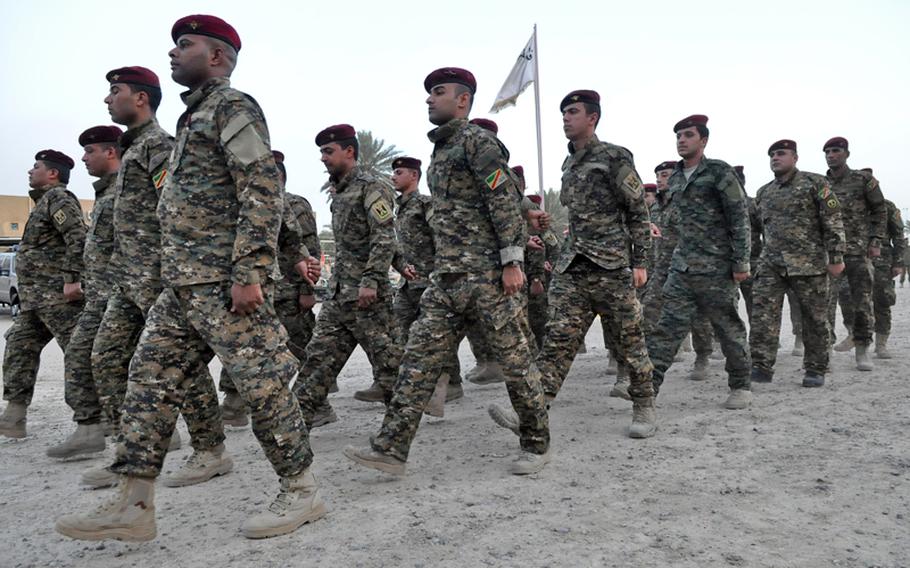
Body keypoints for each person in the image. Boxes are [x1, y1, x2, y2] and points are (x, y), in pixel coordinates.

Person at [56, 15, 325, 541]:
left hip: (224, 283)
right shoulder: (190, 120)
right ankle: (134, 503)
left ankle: (301, 489)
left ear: (218, 56)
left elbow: (261, 188)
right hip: (181, 285)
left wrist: (249, 270)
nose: (174, 53)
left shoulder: (232, 107)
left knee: (262, 385)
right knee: (147, 381)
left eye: (186, 44)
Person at [344, 67, 551, 476]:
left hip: (487, 277)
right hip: (446, 278)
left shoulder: (479, 142)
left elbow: (503, 201)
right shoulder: (441, 151)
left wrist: (512, 262)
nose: (428, 99)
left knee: (516, 363)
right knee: (417, 361)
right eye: (428, 93)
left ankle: (536, 443)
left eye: (438, 92)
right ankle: (391, 448)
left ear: (462, 100)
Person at [80, 65, 227, 490]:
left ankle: (210, 449)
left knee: (181, 366)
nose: (108, 99)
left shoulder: (160, 147)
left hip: (160, 279)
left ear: (141, 98)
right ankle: (127, 454)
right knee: (105, 358)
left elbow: (179, 210)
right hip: (127, 281)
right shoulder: (132, 153)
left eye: (115, 91)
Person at [488, 89, 657, 438]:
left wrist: (640, 260)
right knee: (557, 343)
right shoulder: (569, 163)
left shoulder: (614, 157)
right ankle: (531, 412)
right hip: (574, 266)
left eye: (573, 112)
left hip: (611, 265)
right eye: (563, 113)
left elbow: (638, 212)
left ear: (592, 118)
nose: (566, 118)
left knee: (630, 340)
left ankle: (643, 406)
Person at [291, 124, 401, 425]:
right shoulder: (340, 191)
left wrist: (371, 281)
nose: (323, 158)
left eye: (329, 151)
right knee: (317, 359)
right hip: (340, 295)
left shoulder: (371, 186)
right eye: (322, 153)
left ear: (349, 151)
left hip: (368, 298)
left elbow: (384, 236)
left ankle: (399, 431)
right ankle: (296, 427)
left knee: (389, 364)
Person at [646, 115, 753, 409]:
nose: (681, 139)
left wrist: (740, 262)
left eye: (688, 135)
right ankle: (646, 392)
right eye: (678, 135)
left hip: (716, 267)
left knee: (727, 327)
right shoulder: (676, 177)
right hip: (682, 268)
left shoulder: (720, 172)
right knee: (666, 328)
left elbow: (739, 218)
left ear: (703, 140)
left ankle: (741, 384)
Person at [220, 150, 322, 427]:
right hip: (258, 287)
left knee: (295, 345)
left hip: (289, 289)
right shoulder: (246, 203)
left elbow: (308, 249)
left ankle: (316, 402)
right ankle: (235, 402)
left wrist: (308, 288)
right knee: (246, 340)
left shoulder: (296, 205)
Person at [46, 126, 122, 458]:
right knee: (83, 355)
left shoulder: (127, 188)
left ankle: (135, 439)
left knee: (121, 361)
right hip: (101, 293)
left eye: (90, 152)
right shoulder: (106, 194)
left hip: (126, 291)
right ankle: (91, 429)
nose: (83, 158)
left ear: (110, 152)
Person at [0, 150, 86, 439]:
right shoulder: (41, 204)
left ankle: (96, 421)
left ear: (52, 173)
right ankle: (14, 416)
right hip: (35, 302)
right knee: (18, 347)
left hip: (59, 298)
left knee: (79, 355)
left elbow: (78, 238)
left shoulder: (59, 199)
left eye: (35, 167)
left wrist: (72, 280)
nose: (29, 171)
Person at [749, 140, 845, 387]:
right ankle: (761, 366)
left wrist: (835, 257)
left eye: (781, 154)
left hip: (808, 264)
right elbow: (756, 229)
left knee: (814, 318)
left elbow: (833, 221)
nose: (775, 158)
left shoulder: (816, 184)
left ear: (795, 158)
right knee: (763, 317)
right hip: (771, 264)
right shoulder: (764, 192)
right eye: (772, 155)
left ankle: (815, 368)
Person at [389, 156, 463, 418]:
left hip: (429, 282)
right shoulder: (400, 209)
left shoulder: (424, 204)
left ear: (414, 176)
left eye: (399, 172)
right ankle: (416, 385)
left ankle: (449, 383)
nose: (394, 177)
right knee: (401, 332)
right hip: (407, 283)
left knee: (435, 335)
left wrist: (441, 275)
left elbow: (441, 238)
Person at [823, 137, 886, 370]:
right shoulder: (820, 183)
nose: (831, 155)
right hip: (830, 252)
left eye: (836, 151)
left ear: (846, 154)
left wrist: (876, 240)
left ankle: (862, 350)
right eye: (828, 151)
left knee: (862, 302)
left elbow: (880, 210)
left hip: (858, 251)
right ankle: (824, 351)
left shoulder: (863, 180)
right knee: (824, 304)